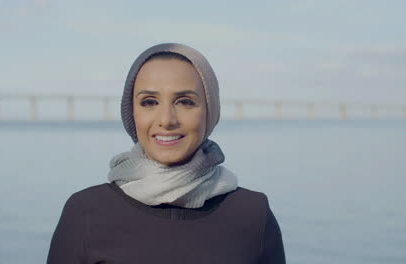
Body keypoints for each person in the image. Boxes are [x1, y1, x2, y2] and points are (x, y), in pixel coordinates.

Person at [47, 43, 285, 264]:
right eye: (149, 102)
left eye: (184, 101)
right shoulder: (86, 212)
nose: (166, 120)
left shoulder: (253, 214)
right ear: (132, 113)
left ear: (210, 111)